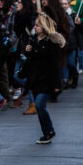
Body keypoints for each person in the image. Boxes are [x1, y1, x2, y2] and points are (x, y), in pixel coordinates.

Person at [21, 13, 65, 144]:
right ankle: (46, 132)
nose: (35, 27)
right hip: (35, 79)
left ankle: (49, 130)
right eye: (35, 25)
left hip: (47, 79)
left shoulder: (51, 42)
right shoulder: (33, 40)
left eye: (37, 25)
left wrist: (57, 84)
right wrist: (28, 51)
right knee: (41, 107)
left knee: (39, 105)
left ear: (44, 27)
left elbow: (55, 64)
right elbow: (29, 60)